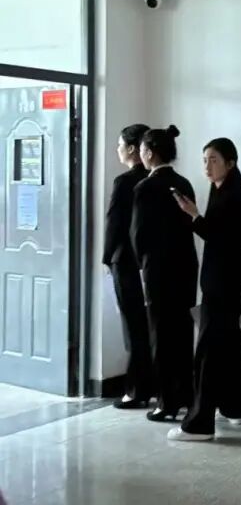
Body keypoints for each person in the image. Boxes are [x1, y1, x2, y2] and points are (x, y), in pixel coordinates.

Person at [168, 138, 241, 442]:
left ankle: (199, 424)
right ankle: (234, 407)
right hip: (224, 278)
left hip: (224, 281)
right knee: (229, 344)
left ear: (230, 163)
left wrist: (195, 216)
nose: (207, 166)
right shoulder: (222, 189)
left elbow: (230, 237)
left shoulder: (234, 194)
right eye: (204, 159)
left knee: (208, 349)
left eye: (214, 160)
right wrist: (197, 216)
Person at [130, 125, 198, 423]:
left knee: (161, 335)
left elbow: (138, 235)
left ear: (148, 152)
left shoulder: (144, 187)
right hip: (186, 267)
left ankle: (166, 402)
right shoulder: (184, 183)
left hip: (158, 270)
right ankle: (186, 396)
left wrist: (141, 267)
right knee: (182, 332)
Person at [103, 122, 153, 410]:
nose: (118, 149)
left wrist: (106, 257)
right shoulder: (158, 179)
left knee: (133, 327)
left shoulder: (124, 182)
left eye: (121, 144)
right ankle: (152, 385)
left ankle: (136, 389)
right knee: (149, 326)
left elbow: (114, 223)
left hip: (125, 260)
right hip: (151, 261)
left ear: (133, 149)